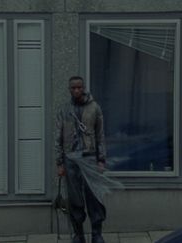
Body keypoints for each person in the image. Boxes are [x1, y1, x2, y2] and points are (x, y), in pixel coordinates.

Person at [55, 76, 107, 243]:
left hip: (90, 158)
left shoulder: (94, 108)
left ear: (83, 87)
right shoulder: (64, 110)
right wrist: (59, 162)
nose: (76, 90)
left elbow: (100, 135)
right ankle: (79, 234)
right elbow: (58, 137)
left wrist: (101, 160)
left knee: (94, 197)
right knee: (75, 199)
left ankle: (97, 234)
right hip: (70, 160)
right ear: (69, 89)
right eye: (73, 88)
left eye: (79, 87)